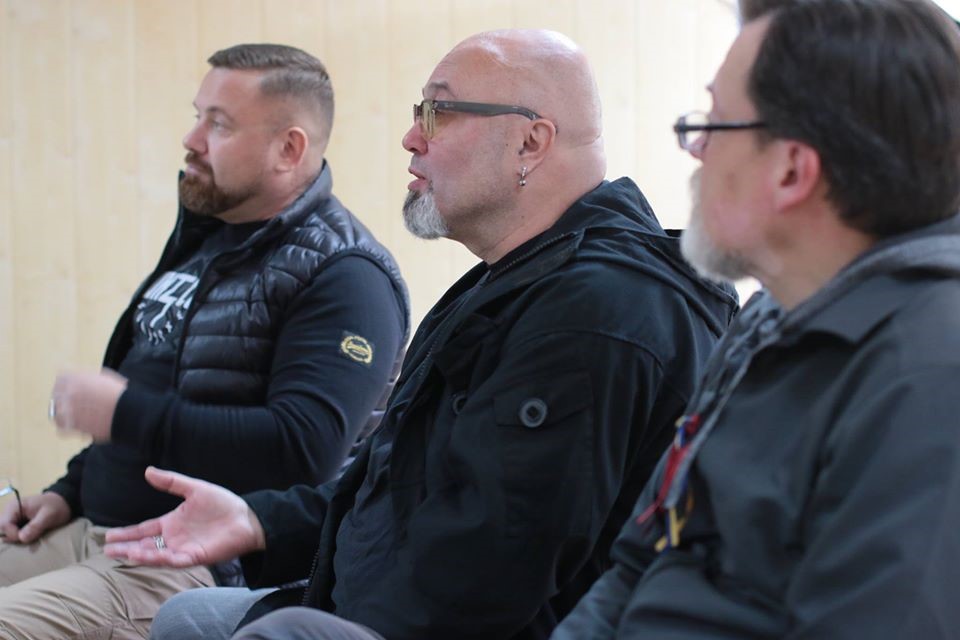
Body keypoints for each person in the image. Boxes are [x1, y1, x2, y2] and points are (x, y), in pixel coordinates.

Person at [103, 29, 738, 640]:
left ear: (530, 141)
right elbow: (404, 486)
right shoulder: (518, 279)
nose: (411, 137)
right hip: (382, 600)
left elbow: (486, 576)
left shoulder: (597, 312)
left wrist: (320, 623)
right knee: (186, 618)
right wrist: (258, 520)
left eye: (438, 112)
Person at [552, 1, 960, 638]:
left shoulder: (930, 375)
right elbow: (639, 562)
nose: (697, 150)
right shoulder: (770, 314)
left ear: (792, 170)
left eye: (714, 124)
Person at [0, 44, 409, 640]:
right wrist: (67, 492)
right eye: (198, 116)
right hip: (94, 529)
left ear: (288, 149)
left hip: (193, 564)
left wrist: (123, 412)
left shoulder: (347, 276)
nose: (191, 139)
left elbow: (303, 447)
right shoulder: (211, 240)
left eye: (218, 124)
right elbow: (161, 389)